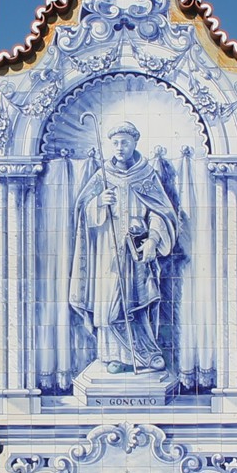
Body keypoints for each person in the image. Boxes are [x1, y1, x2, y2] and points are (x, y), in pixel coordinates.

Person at [68, 122, 179, 375]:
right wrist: (99, 202)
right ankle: (113, 356)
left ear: (134, 143)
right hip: (107, 251)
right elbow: (82, 211)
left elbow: (159, 212)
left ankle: (147, 355)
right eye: (116, 143)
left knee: (139, 301)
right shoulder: (103, 175)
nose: (120, 147)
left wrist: (153, 240)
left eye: (125, 142)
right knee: (110, 302)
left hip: (137, 250)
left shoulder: (146, 175)